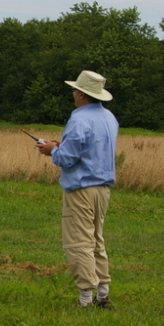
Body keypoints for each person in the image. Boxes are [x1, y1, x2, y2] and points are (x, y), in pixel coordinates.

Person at [36, 70, 119, 308]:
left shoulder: (79, 119)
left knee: (79, 242)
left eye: (74, 90)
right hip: (102, 189)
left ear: (82, 94)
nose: (73, 94)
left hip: (81, 189)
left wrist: (51, 150)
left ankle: (85, 299)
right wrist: (60, 145)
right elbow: (90, 149)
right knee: (96, 240)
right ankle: (103, 294)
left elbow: (67, 159)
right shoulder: (109, 118)